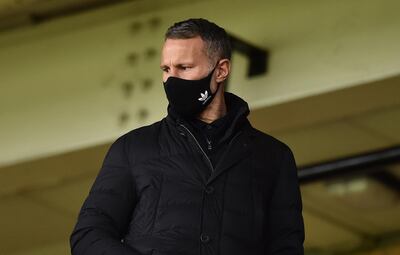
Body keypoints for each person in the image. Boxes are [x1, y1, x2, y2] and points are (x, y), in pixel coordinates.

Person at [70, 18, 305, 255]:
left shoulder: (273, 156)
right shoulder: (133, 148)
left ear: (221, 70)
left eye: (184, 68)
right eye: (166, 69)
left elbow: (287, 247)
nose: (172, 79)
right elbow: (89, 235)